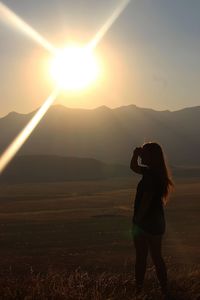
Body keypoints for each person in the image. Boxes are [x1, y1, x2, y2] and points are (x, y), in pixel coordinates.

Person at [130, 142, 174, 298]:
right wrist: (136, 155)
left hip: (144, 223)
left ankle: (138, 290)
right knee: (157, 257)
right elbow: (134, 167)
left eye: (145, 153)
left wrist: (137, 221)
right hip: (157, 222)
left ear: (151, 156)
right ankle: (164, 289)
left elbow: (146, 201)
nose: (143, 155)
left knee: (141, 258)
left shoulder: (150, 176)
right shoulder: (157, 173)